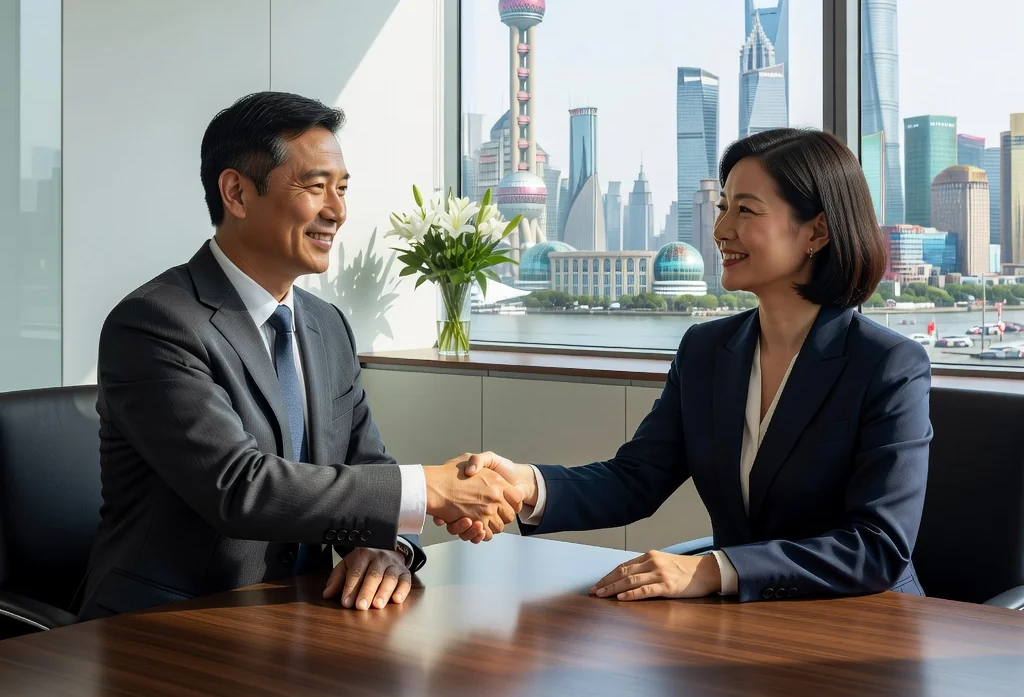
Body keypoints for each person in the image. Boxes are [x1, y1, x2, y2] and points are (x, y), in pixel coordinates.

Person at [80, 92, 521, 620]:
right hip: (171, 627)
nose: (337, 211)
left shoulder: (326, 326)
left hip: (300, 619)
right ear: (237, 193)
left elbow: (365, 466)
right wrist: (430, 488)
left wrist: (384, 547)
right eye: (316, 188)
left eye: (341, 189)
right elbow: (241, 488)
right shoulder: (155, 324)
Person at [444, 128, 933, 603]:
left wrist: (711, 568)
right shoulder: (706, 350)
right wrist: (526, 484)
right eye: (723, 208)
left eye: (745, 210)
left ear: (817, 231)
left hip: (868, 630)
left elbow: (877, 546)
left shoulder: (888, 365)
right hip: (744, 628)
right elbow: (635, 479)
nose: (720, 231)